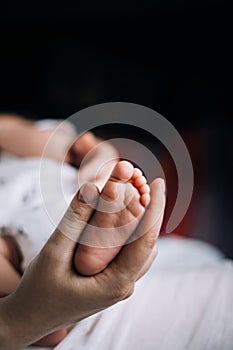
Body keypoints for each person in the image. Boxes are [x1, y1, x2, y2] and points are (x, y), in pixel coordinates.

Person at [0, 114, 164, 348]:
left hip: (72, 193)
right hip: (21, 252)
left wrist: (99, 160)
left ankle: (103, 236)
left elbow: (83, 147)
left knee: (99, 181)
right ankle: (37, 308)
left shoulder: (20, 142)